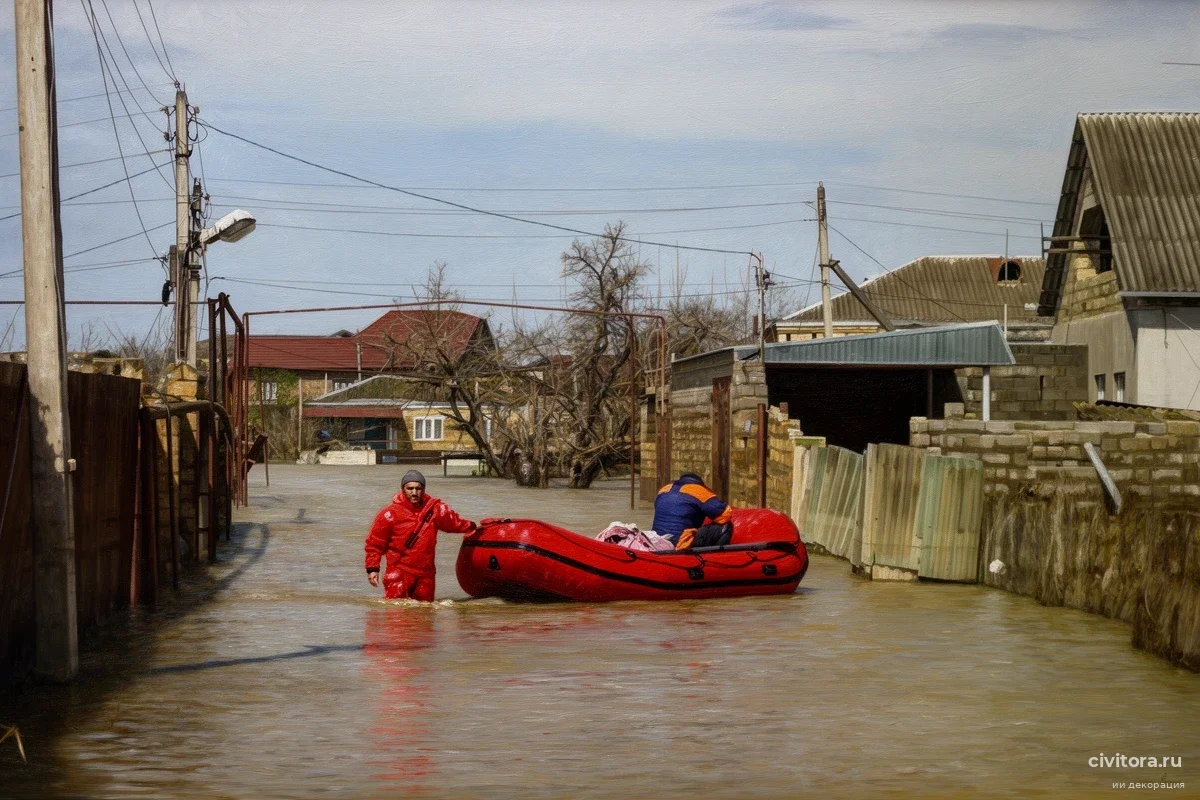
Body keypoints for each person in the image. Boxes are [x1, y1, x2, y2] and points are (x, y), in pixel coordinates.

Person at [364, 470, 477, 601]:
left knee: (425, 615)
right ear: (403, 489)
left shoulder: (434, 510)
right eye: (410, 488)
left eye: (418, 488)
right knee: (395, 615)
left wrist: (473, 527)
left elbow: (453, 523)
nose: (414, 492)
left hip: (426, 574)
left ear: (423, 490)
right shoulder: (389, 514)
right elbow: (374, 544)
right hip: (399, 571)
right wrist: (372, 569)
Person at [651, 472, 733, 550]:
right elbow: (725, 515)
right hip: (681, 542)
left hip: (657, 540)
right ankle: (717, 557)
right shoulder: (699, 490)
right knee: (726, 526)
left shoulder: (664, 489)